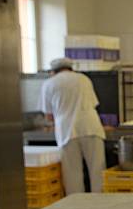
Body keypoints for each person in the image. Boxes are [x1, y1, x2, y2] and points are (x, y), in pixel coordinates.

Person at [40, 57, 106, 194]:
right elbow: (93, 104)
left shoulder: (49, 83)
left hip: (66, 131)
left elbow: (49, 116)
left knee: (72, 173)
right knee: (97, 170)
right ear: (71, 68)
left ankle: (75, 206)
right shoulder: (84, 79)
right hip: (91, 127)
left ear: (53, 71)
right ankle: (101, 204)